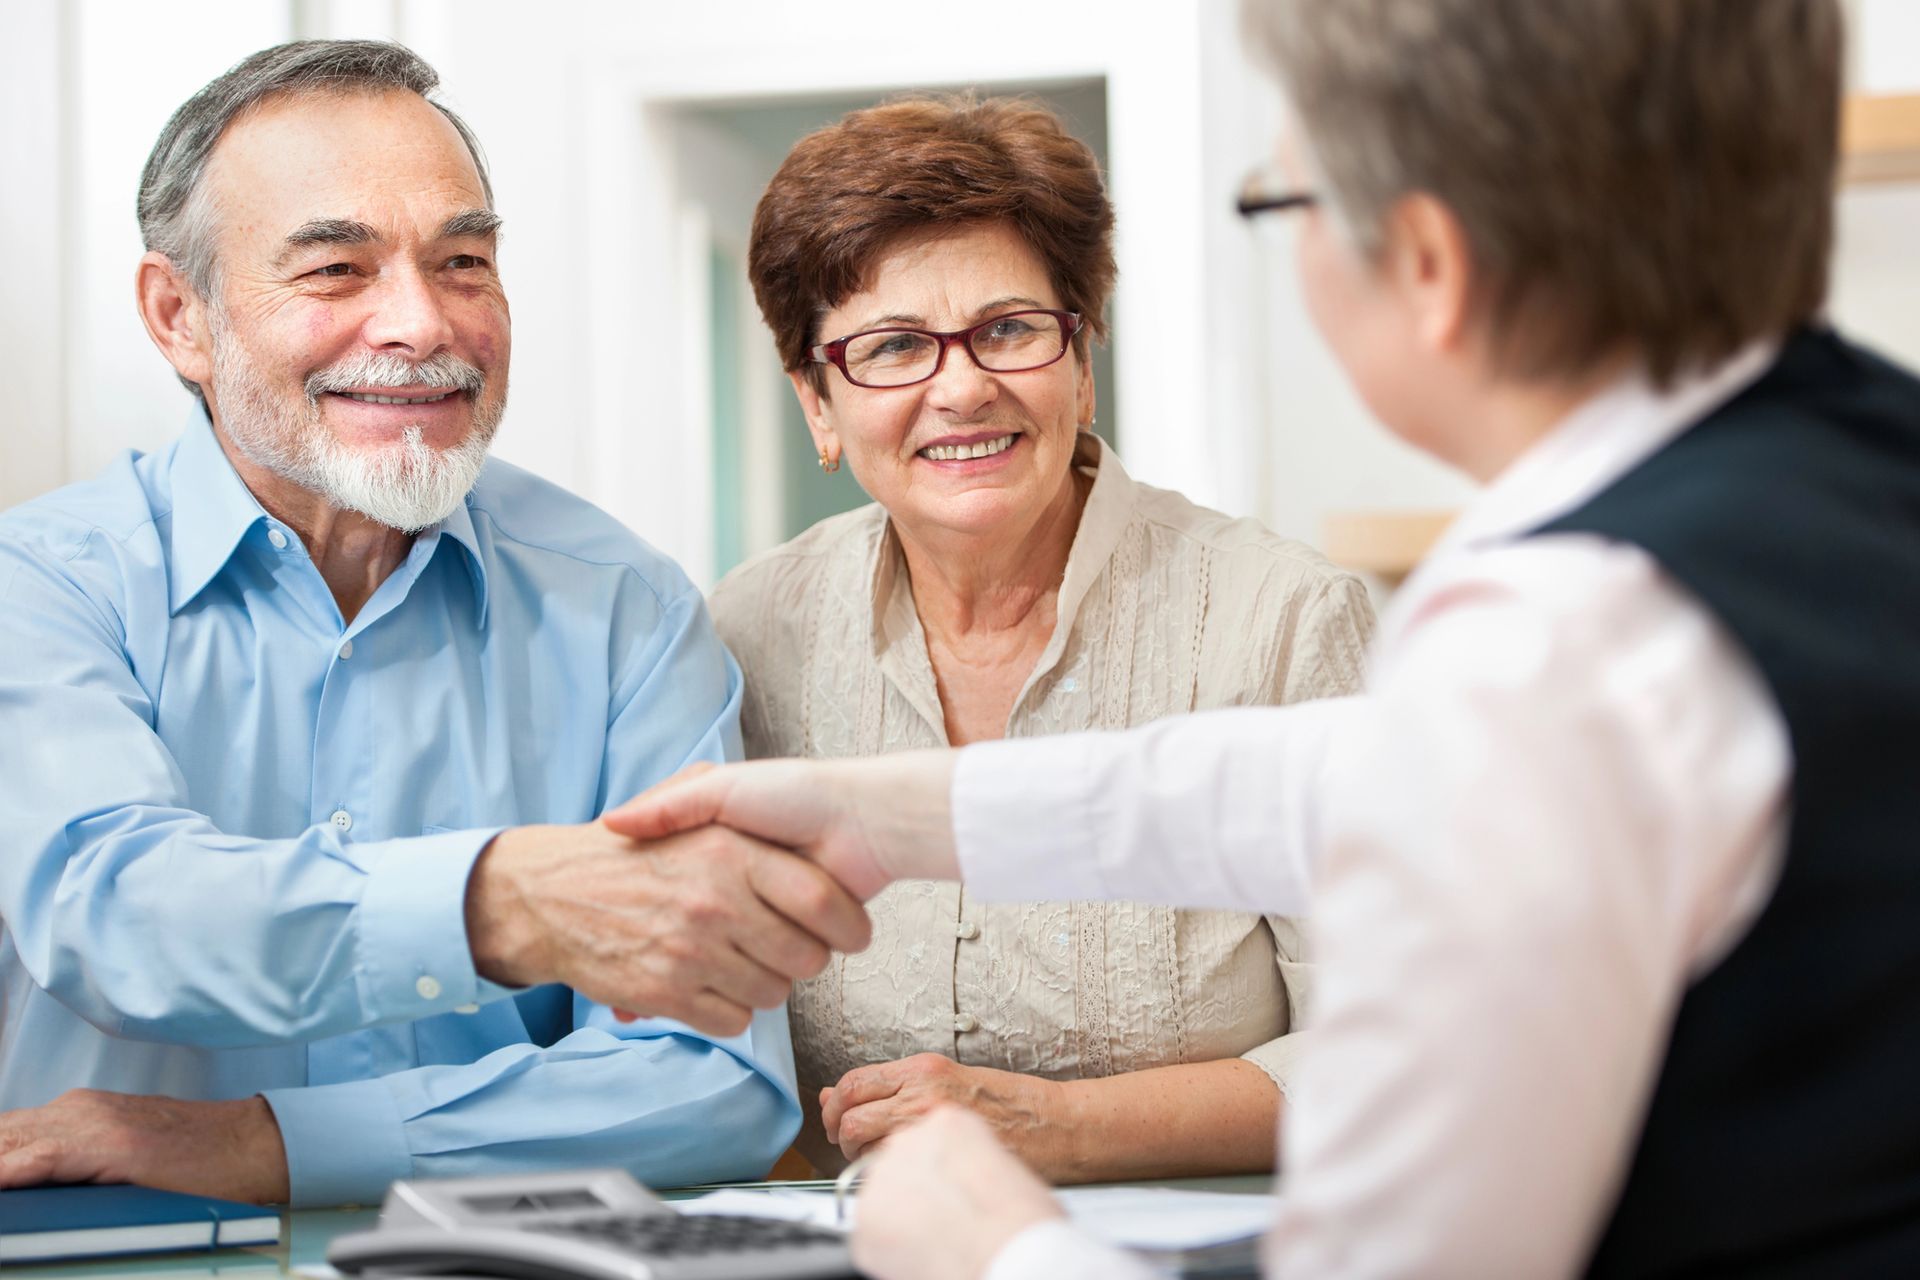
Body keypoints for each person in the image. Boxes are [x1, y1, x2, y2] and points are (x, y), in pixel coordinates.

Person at [609, 0, 1920, 1274]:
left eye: (1282, 202)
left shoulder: (1544, 639)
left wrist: (993, 1250)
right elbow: (1342, 780)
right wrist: (899, 816)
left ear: (1427, 262)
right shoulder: (1861, 458)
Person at [0, 40, 869, 1208]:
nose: (420, 321)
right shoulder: (40, 585)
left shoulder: (624, 604)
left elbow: (710, 1075)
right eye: (336, 269)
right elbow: (119, 914)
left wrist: (273, 1143)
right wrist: (502, 899)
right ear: (179, 316)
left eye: (464, 259)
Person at [715, 94, 1373, 1179]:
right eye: (891, 348)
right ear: (817, 404)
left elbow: (1392, 1046)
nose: (963, 387)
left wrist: (1063, 1129)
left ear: (1080, 358)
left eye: (1009, 329)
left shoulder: (1284, 620)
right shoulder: (744, 638)